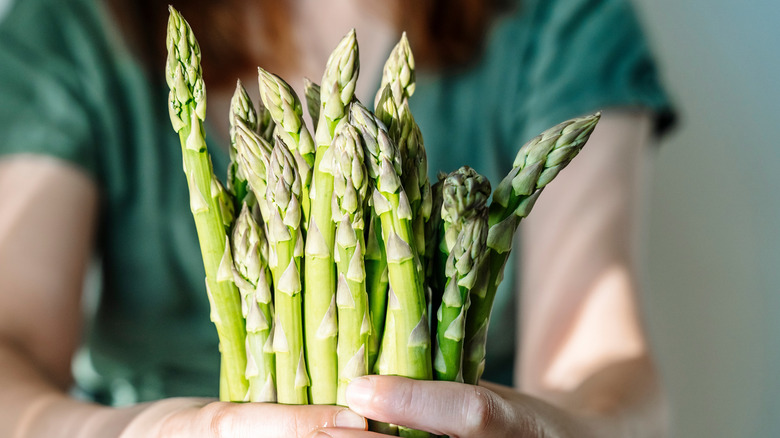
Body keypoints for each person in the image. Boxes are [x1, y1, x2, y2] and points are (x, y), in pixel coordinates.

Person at [0, 0, 675, 436]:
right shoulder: (75, 26)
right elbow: (13, 345)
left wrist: (546, 430)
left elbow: (603, 368)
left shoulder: (561, 19)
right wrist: (139, 433)